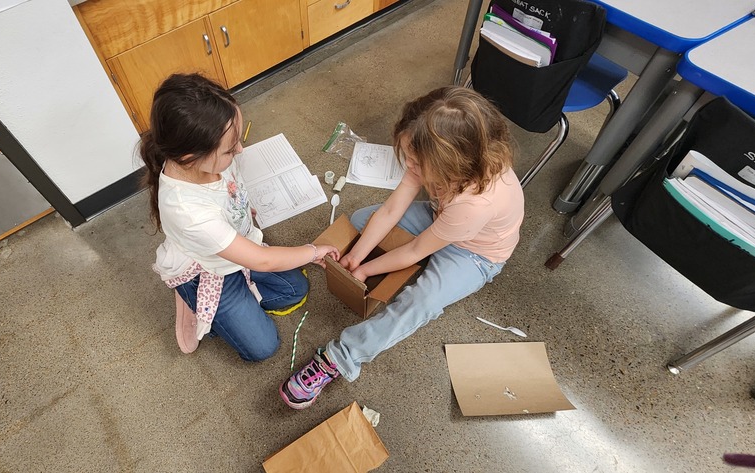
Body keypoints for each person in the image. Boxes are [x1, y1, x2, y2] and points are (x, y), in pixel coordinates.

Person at [279, 86, 525, 408]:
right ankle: (376, 257)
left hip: (474, 255)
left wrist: (365, 269)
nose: (409, 165)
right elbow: (391, 210)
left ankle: (340, 358)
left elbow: (414, 252)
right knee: (363, 218)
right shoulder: (444, 161)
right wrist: (356, 254)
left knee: (422, 302)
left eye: (416, 162)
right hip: (441, 219)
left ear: (450, 163)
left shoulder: (475, 204)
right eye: (408, 155)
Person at [142, 73, 340, 362]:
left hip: (236, 247)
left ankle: (235, 305)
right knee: (262, 347)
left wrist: (241, 210)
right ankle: (193, 299)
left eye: (238, 138)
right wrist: (312, 251)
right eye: (229, 149)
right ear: (189, 157)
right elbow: (263, 260)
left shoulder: (207, 160)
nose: (240, 150)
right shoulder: (187, 210)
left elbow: (228, 192)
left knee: (296, 290)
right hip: (208, 271)